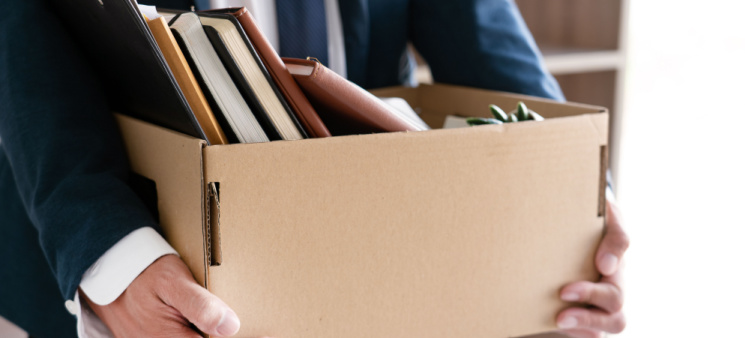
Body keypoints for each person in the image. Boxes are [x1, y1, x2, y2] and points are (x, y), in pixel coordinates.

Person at [0, 0, 627, 337]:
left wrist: (575, 193)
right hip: (133, 246)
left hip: (383, 260)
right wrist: (114, 261)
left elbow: (483, 34)